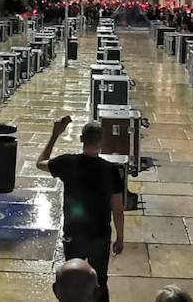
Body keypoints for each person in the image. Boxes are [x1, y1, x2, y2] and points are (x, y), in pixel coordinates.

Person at [38, 118, 125, 302]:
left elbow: (40, 163)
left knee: (73, 281)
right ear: (101, 141)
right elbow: (118, 209)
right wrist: (120, 237)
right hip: (100, 236)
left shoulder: (67, 163)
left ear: (80, 139)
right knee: (100, 281)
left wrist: (55, 135)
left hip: (74, 234)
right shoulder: (111, 170)